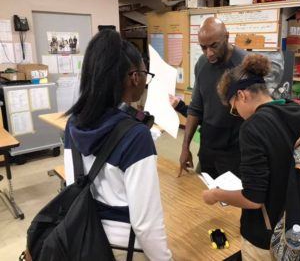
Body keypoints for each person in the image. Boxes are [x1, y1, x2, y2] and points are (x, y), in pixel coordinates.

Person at [64, 29, 172, 261]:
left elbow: (74, 184)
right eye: (146, 74)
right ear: (134, 76)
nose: (145, 81)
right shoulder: (136, 135)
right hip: (124, 247)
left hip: (83, 235)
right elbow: (146, 224)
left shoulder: (73, 122)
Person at [202, 54, 300, 260]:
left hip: (266, 236)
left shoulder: (253, 128)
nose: (236, 113)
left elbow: (253, 199)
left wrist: (216, 195)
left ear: (242, 95)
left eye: (233, 107)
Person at [179, 17, 246, 178]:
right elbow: (196, 108)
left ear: (227, 37)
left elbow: (258, 113)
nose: (209, 53)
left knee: (230, 201)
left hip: (236, 150)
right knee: (203, 196)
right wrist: (185, 147)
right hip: (208, 145)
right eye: (203, 48)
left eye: (214, 46)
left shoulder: (245, 64)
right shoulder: (201, 64)